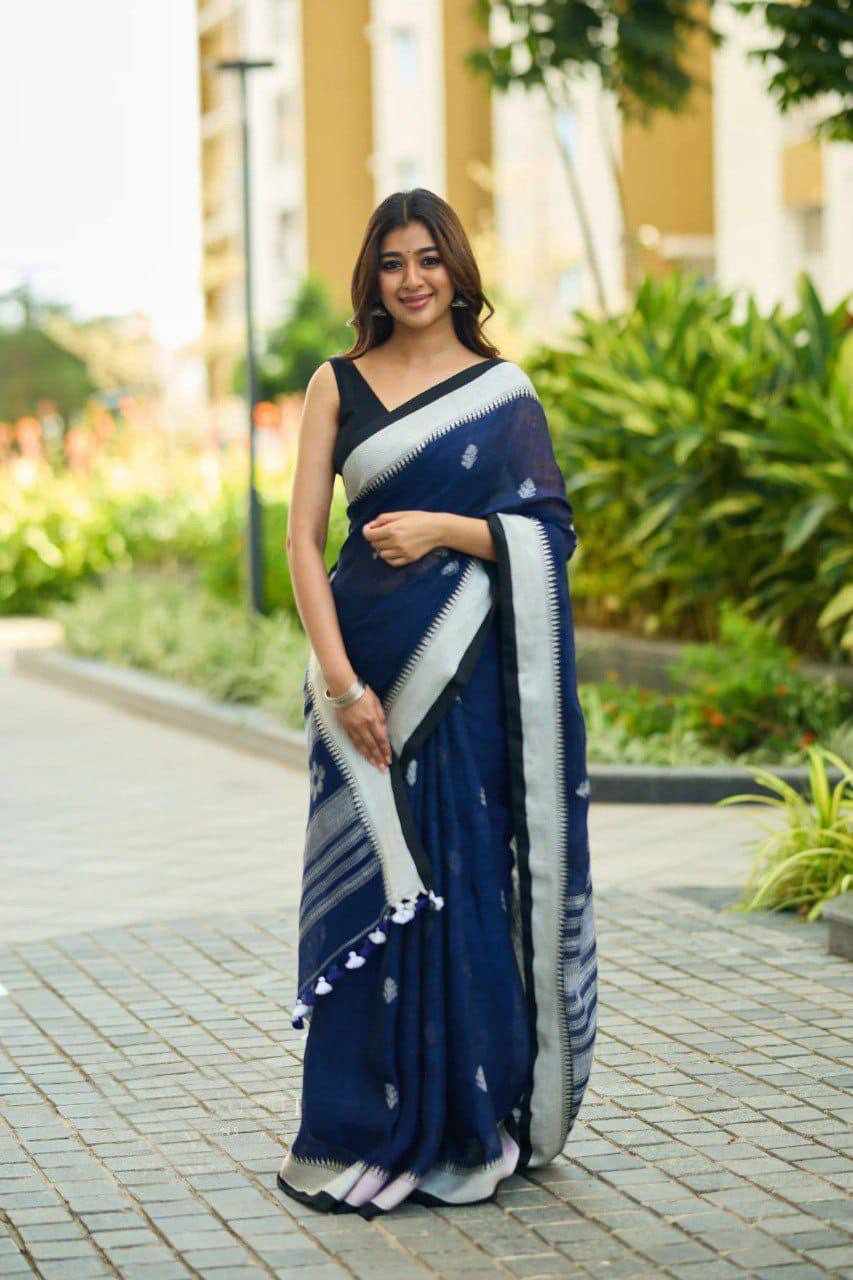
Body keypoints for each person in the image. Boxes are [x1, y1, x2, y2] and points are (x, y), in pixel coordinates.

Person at [278, 188, 596, 1217]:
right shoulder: (337, 382)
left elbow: (549, 533)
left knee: (463, 884)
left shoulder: (502, 393)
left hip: (464, 683)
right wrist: (340, 683)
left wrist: (441, 530)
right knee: (376, 891)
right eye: (391, 262)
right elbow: (301, 542)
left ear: (456, 269)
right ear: (370, 278)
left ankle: (467, 1118)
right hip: (363, 671)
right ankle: (358, 1121)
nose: (411, 279)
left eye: (427, 258)